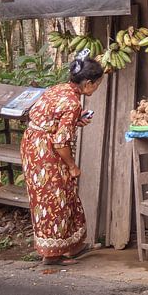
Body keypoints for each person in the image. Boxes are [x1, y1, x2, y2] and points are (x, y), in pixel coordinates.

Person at [21, 51, 104, 266]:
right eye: (96, 84)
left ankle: (71, 245)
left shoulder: (58, 89)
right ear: (87, 83)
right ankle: (52, 255)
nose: (97, 88)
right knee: (54, 199)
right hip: (46, 152)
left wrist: (76, 121)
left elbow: (48, 118)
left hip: (32, 144)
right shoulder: (73, 104)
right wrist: (72, 166)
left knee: (59, 195)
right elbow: (60, 143)